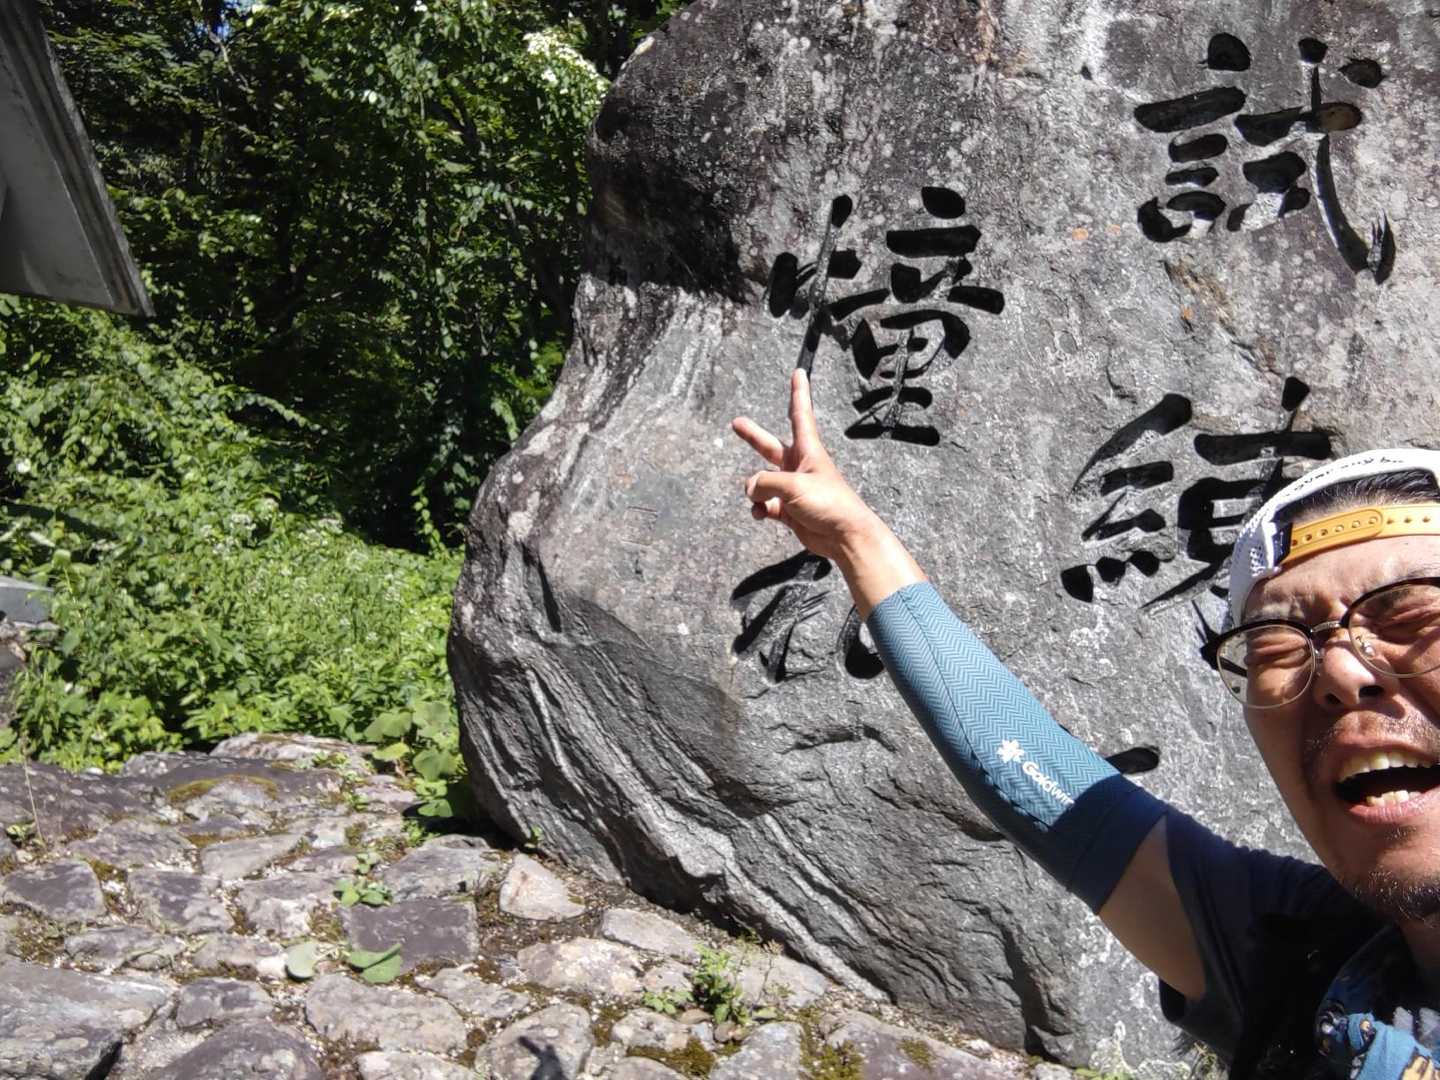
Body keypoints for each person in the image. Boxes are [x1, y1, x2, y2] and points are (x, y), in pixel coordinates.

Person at [733, 369, 1440, 1080]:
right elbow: (1037, 776)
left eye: (1412, 614)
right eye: (1278, 647)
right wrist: (856, 541)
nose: (1340, 672)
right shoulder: (1301, 955)